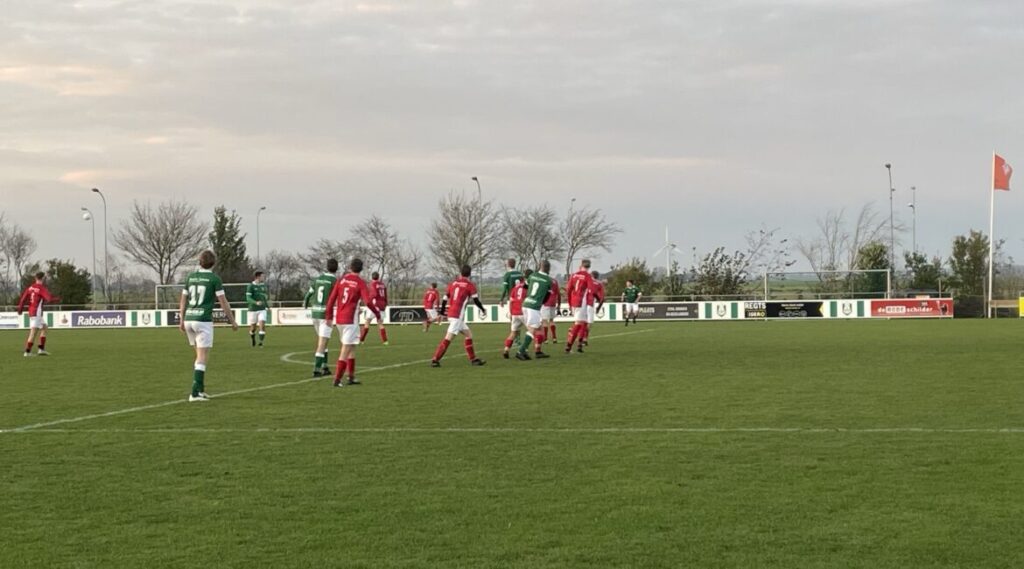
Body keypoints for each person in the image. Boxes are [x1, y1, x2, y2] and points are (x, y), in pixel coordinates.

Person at [179, 250, 238, 402]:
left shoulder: (190, 277)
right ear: (214, 263)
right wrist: (232, 320)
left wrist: (181, 319)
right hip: (202, 320)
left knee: (200, 355)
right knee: (202, 356)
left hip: (189, 319)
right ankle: (194, 393)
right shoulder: (214, 279)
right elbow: (223, 302)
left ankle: (200, 390)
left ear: (200, 262)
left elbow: (183, 300)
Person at [324, 258, 380, 387]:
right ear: (361, 269)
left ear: (350, 267)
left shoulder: (341, 280)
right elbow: (368, 301)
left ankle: (351, 376)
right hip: (350, 320)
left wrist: (328, 316)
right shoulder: (360, 282)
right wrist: (377, 314)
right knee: (346, 349)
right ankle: (337, 379)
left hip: (339, 319)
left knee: (351, 347)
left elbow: (331, 299)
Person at [430, 264, 487, 367]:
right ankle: (435, 359)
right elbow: (476, 300)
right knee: (448, 338)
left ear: (460, 273)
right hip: (457, 316)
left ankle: (473, 359)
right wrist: (482, 309)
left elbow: (445, 298)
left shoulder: (453, 283)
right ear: (469, 274)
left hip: (452, 314)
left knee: (468, 335)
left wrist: (441, 312)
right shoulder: (470, 285)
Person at [303, 258, 338, 377]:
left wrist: (306, 304)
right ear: (336, 268)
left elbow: (309, 294)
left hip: (315, 313)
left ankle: (325, 366)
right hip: (325, 315)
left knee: (323, 340)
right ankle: (317, 370)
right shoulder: (334, 281)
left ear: (327, 267)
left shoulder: (318, 279)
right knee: (322, 342)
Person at [16, 271, 60, 357]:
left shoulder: (30, 288)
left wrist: (20, 310)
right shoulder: (41, 288)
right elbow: (49, 299)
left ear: (35, 278)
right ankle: (27, 352)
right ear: (43, 278)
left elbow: (23, 299)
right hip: (37, 313)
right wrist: (57, 299)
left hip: (32, 312)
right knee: (33, 332)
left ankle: (41, 349)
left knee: (44, 327)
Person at [516, 261, 554, 360]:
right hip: (534, 307)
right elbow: (547, 297)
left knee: (539, 328)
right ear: (548, 268)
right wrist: (540, 301)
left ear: (540, 267)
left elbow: (525, 286)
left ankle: (538, 351)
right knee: (532, 329)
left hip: (526, 303)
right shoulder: (548, 280)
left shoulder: (532, 275)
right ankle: (521, 351)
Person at [565, 259, 595, 353]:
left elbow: (568, 290)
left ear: (581, 265)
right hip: (582, 302)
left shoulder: (574, 275)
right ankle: (568, 346)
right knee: (578, 324)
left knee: (584, 323)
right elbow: (591, 290)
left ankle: (579, 346)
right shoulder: (587, 276)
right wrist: (590, 303)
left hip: (574, 302)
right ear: (589, 266)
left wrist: (569, 303)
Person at [502, 272, 528, 359]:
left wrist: (511, 312)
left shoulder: (514, 288)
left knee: (513, 333)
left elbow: (511, 301)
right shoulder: (527, 287)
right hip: (523, 312)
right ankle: (524, 350)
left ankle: (506, 349)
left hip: (514, 313)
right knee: (531, 331)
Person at [360, 271, 389, 345]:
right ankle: (385, 341)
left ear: (372, 277)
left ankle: (362, 340)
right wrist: (385, 303)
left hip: (374, 305)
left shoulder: (372, 284)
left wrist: (368, 300)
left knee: (367, 321)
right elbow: (385, 295)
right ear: (378, 277)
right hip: (382, 306)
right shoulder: (382, 285)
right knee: (380, 323)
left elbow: (374, 294)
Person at [581, 270, 605, 346]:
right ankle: (584, 339)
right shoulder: (599, 284)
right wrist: (598, 308)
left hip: (582, 303)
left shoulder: (586, 281)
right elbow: (602, 298)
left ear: (591, 275)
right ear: (597, 276)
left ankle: (579, 336)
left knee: (582, 321)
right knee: (589, 323)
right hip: (590, 304)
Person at [246, 271, 269, 347]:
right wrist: (255, 302)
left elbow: (263, 298)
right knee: (253, 328)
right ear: (258, 277)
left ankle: (261, 343)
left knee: (262, 325)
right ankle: (253, 337)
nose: (264, 278)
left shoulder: (263, 286)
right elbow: (248, 298)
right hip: (253, 309)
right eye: (262, 276)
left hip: (262, 309)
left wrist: (267, 306)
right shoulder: (251, 286)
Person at [542, 275, 561, 344]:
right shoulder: (555, 281)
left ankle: (545, 339)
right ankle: (554, 338)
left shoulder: (544, 280)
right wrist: (559, 304)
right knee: (551, 320)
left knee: (544, 321)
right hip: (553, 302)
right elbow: (558, 294)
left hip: (545, 302)